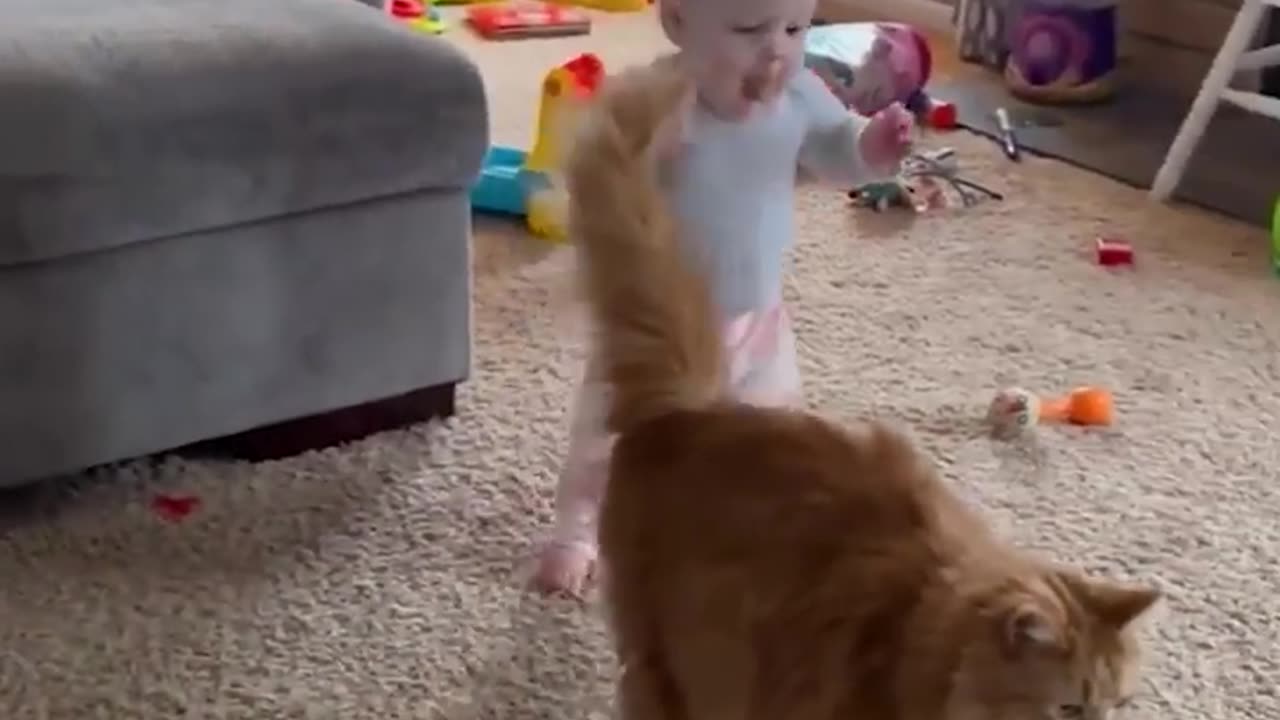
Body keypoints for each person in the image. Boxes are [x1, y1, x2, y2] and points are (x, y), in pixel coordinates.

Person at [533, 0, 915, 596]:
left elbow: (839, 152)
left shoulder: (801, 98)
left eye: (795, 29)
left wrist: (874, 148)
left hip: (756, 321)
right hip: (659, 325)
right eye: (748, 30)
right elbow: (605, 183)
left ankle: (748, 534)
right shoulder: (662, 109)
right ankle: (577, 532)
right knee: (613, 432)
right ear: (678, 23)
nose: (776, 51)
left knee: (772, 437)